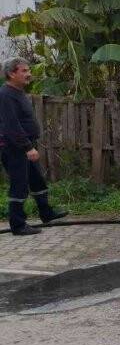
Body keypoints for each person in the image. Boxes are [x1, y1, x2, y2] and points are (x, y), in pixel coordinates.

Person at [0, 58, 67, 236]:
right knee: (19, 185)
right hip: (14, 148)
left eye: (28, 70)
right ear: (11, 73)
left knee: (37, 180)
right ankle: (18, 225)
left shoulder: (19, 92)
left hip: (25, 145)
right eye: (24, 71)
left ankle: (46, 213)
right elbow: (11, 126)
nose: (28, 74)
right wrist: (27, 147)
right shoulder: (5, 94)